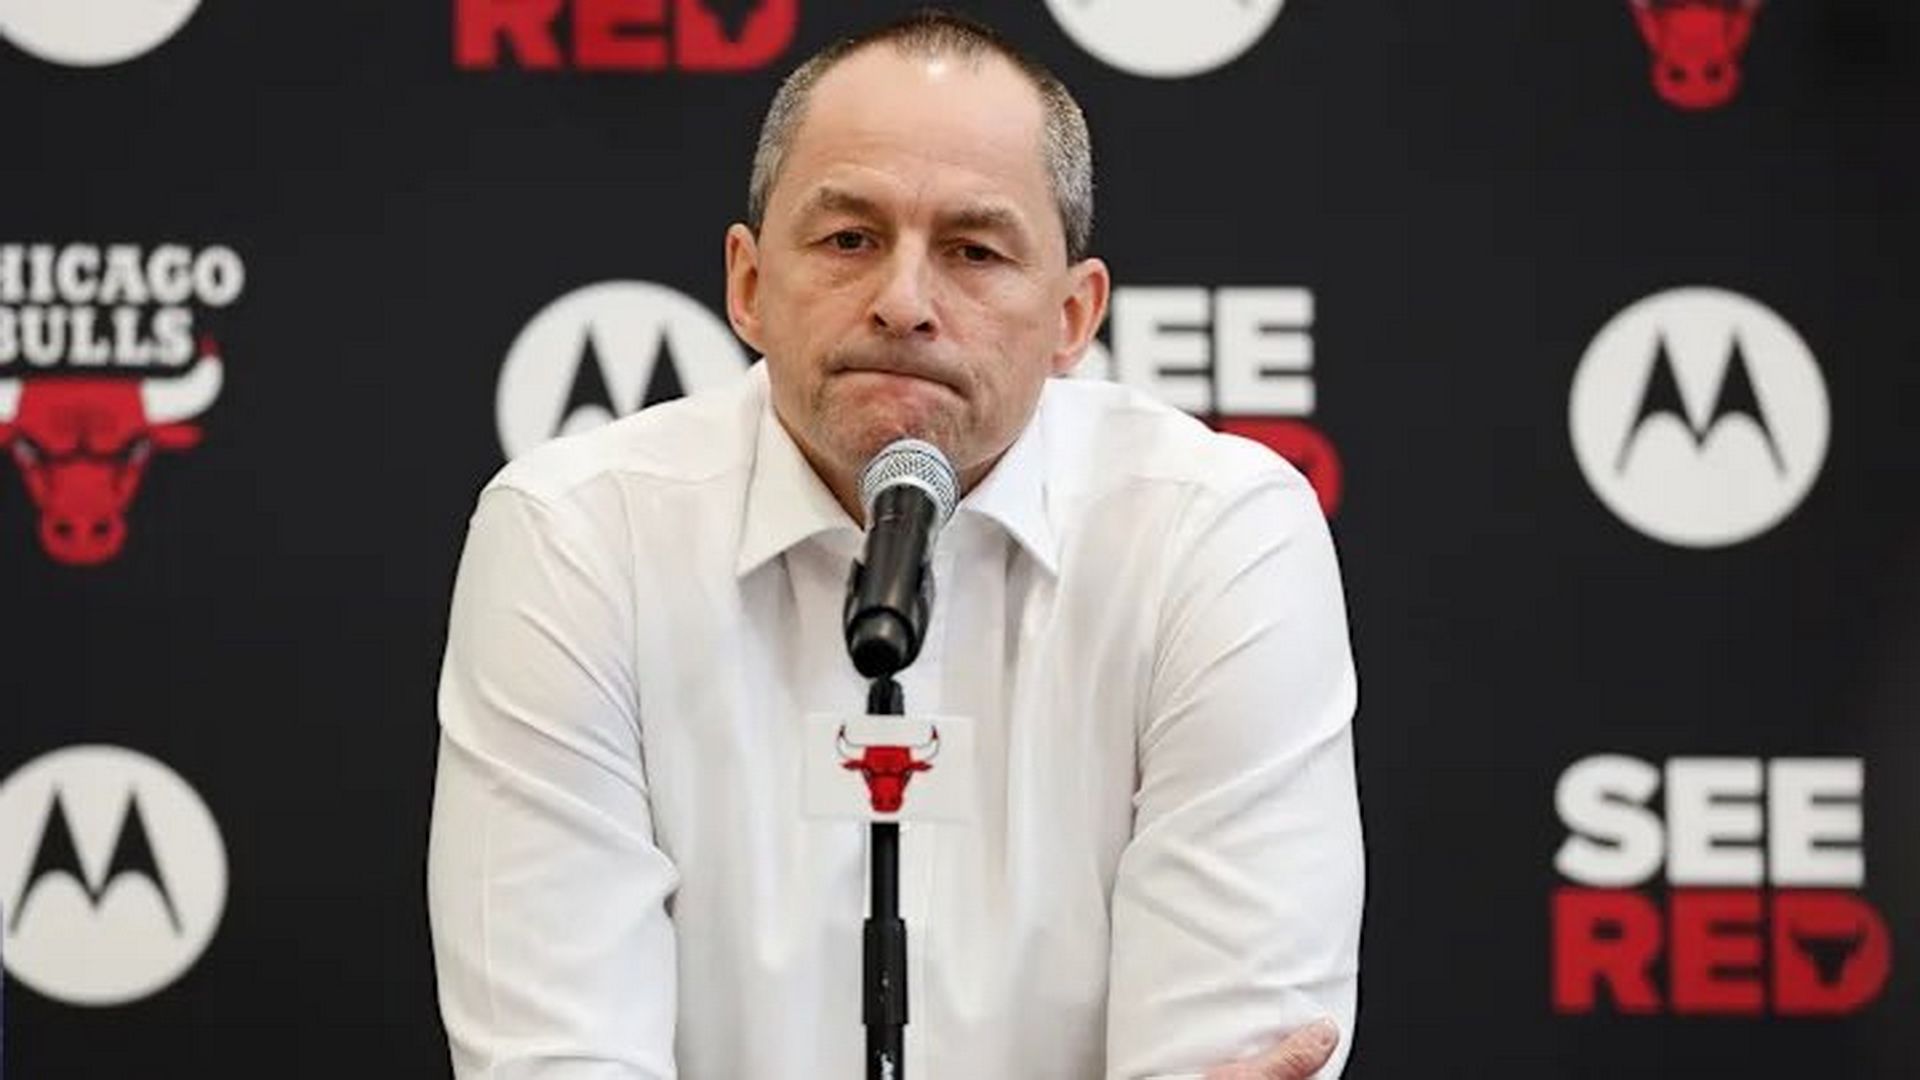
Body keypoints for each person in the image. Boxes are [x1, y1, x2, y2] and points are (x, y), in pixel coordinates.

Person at [428, 10, 1362, 1079]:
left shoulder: (1213, 534)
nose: (905, 303)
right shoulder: (579, 533)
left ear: (1072, 317)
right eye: (849, 240)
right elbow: (553, 1061)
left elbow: (1231, 1058)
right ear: (748, 284)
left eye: (974, 252)